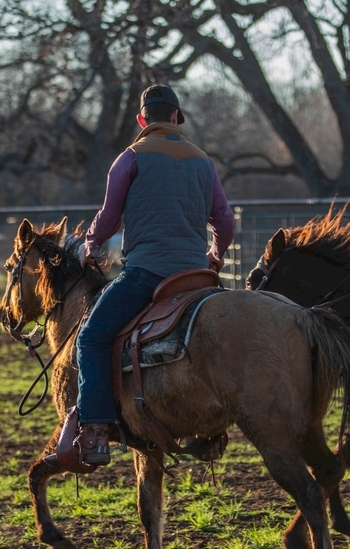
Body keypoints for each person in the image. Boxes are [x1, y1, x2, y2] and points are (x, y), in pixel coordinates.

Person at [74, 84, 236, 462]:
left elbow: (109, 219)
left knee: (91, 338)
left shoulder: (130, 158)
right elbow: (225, 222)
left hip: (148, 274)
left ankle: (95, 431)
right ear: (176, 117)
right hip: (197, 277)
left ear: (141, 120)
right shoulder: (204, 161)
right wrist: (215, 256)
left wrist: (90, 245)